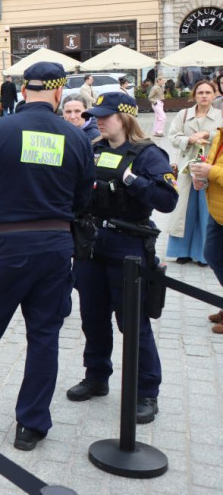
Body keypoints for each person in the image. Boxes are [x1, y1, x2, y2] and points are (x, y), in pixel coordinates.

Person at [0, 62, 95, 451]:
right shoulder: (75, 138)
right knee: (44, 337)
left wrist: (0, 201)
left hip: (4, 248)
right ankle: (32, 424)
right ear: (60, 93)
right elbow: (83, 200)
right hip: (55, 249)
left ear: (24, 91)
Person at [66, 92, 177, 425]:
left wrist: (133, 181)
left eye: (106, 115)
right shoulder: (93, 149)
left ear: (126, 117)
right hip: (91, 245)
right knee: (93, 316)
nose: (98, 120)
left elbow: (167, 200)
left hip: (128, 246)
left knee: (133, 322)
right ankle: (97, 376)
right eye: (96, 115)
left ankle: (146, 392)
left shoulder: (147, 154)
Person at [165, 79, 222, 265]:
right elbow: (173, 137)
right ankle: (182, 251)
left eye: (208, 92)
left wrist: (208, 135)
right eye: (200, 92)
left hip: (210, 167)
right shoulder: (183, 114)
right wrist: (189, 139)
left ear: (214, 95)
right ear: (194, 95)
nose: (204, 96)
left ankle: (203, 254)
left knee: (206, 211)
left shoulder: (220, 115)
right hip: (186, 168)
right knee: (185, 211)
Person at [192, 131, 223, 334]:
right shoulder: (220, 133)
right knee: (212, 255)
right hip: (217, 211)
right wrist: (202, 178)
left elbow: (214, 168)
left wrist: (210, 171)